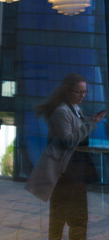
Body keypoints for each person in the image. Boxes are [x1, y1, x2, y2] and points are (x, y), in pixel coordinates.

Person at [25, 73, 106, 240]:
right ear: (67, 91)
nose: (82, 95)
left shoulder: (75, 110)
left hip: (74, 173)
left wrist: (92, 120)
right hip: (67, 175)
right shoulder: (62, 111)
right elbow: (69, 141)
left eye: (84, 92)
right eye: (79, 92)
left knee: (66, 219)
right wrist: (91, 123)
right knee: (69, 220)